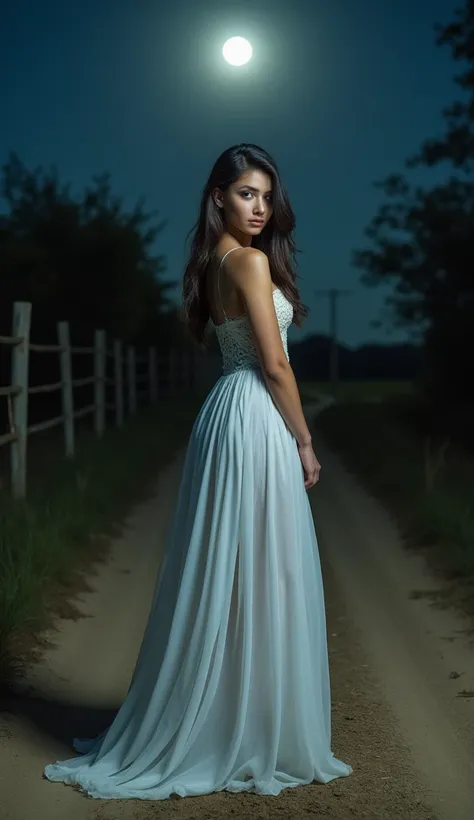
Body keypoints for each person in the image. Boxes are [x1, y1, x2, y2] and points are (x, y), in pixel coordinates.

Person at [43, 143, 353, 799]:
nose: (261, 207)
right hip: (257, 416)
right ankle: (240, 724)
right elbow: (275, 366)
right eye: (247, 193)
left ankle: (227, 716)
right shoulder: (246, 262)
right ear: (218, 197)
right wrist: (304, 440)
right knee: (261, 567)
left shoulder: (215, 264)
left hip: (227, 414)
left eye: (267, 196)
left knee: (235, 566)